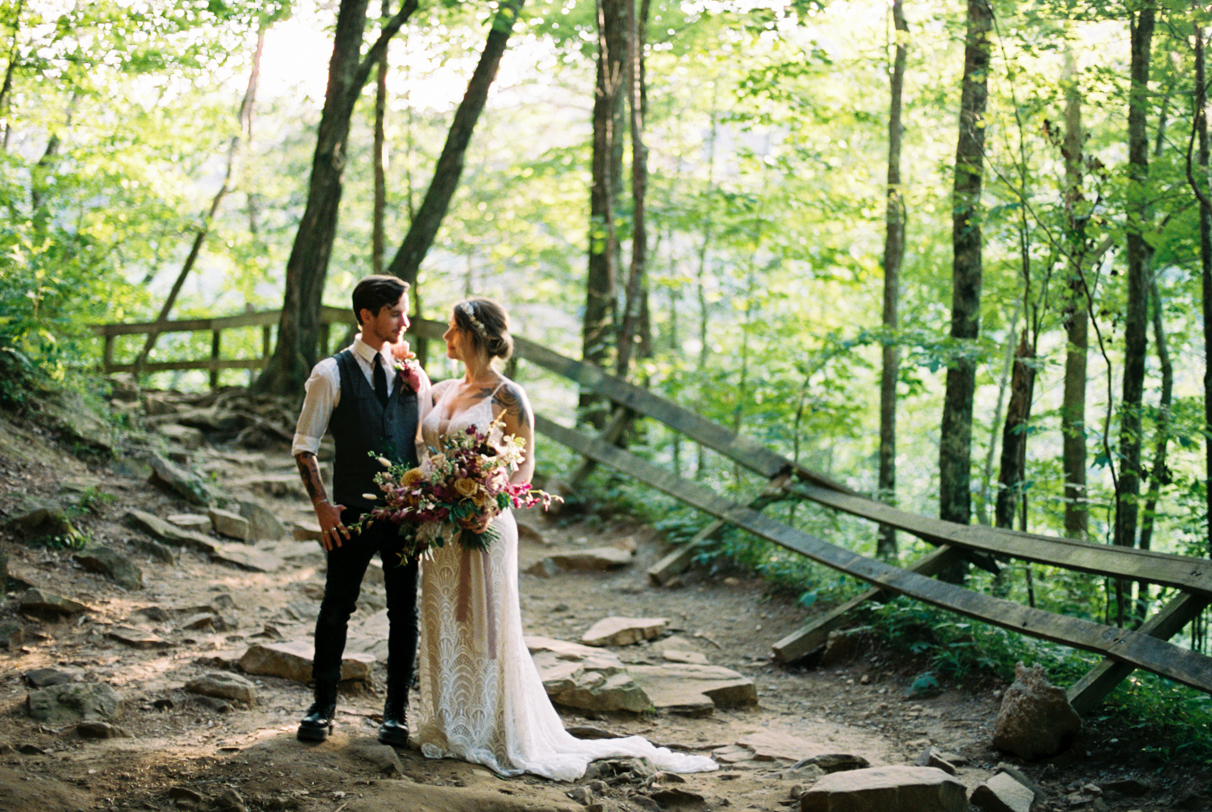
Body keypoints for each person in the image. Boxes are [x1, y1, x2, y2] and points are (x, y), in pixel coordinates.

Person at [410, 296, 717, 781]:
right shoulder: (443, 389)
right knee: (443, 620)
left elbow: (524, 465)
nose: (445, 337)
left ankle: (492, 731)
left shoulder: (508, 395)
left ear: (474, 334)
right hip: (440, 528)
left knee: (488, 628)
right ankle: (449, 724)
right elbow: (425, 449)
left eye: (451, 329)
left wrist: (490, 502)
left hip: (486, 524)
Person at [291, 274, 431, 745]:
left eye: (404, 311)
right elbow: (304, 446)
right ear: (366, 316)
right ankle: (321, 706)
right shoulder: (330, 373)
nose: (405, 322)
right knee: (337, 606)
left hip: (407, 517)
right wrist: (323, 509)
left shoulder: (413, 372)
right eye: (396, 312)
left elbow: (424, 444)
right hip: (351, 513)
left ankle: (396, 713)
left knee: (404, 612)